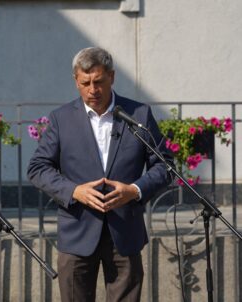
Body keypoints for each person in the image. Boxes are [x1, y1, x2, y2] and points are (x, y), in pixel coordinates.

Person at [27, 47, 172, 301]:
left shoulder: (138, 114)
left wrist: (134, 190)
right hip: (77, 233)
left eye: (99, 82)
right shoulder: (61, 119)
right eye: (85, 83)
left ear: (112, 77)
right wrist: (74, 191)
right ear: (76, 81)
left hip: (125, 233)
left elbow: (165, 166)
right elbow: (38, 168)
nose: (92, 90)